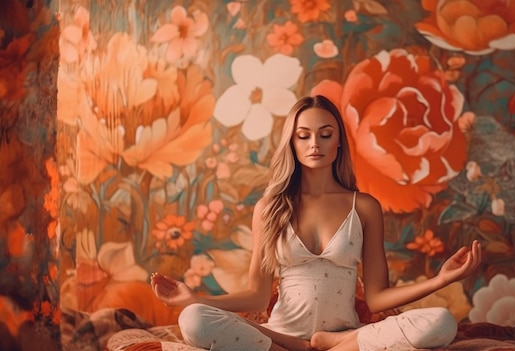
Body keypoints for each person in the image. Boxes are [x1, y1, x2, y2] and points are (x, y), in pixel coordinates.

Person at [151, 95, 482, 351]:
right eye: (303, 136)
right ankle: (292, 347)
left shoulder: (364, 206)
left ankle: (338, 345)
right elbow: (256, 295)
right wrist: (194, 299)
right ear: (292, 144)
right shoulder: (269, 207)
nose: (314, 144)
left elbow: (378, 297)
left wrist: (440, 280)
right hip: (280, 337)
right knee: (192, 319)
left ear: (338, 142)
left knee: (441, 323)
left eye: (325, 134)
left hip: (347, 337)